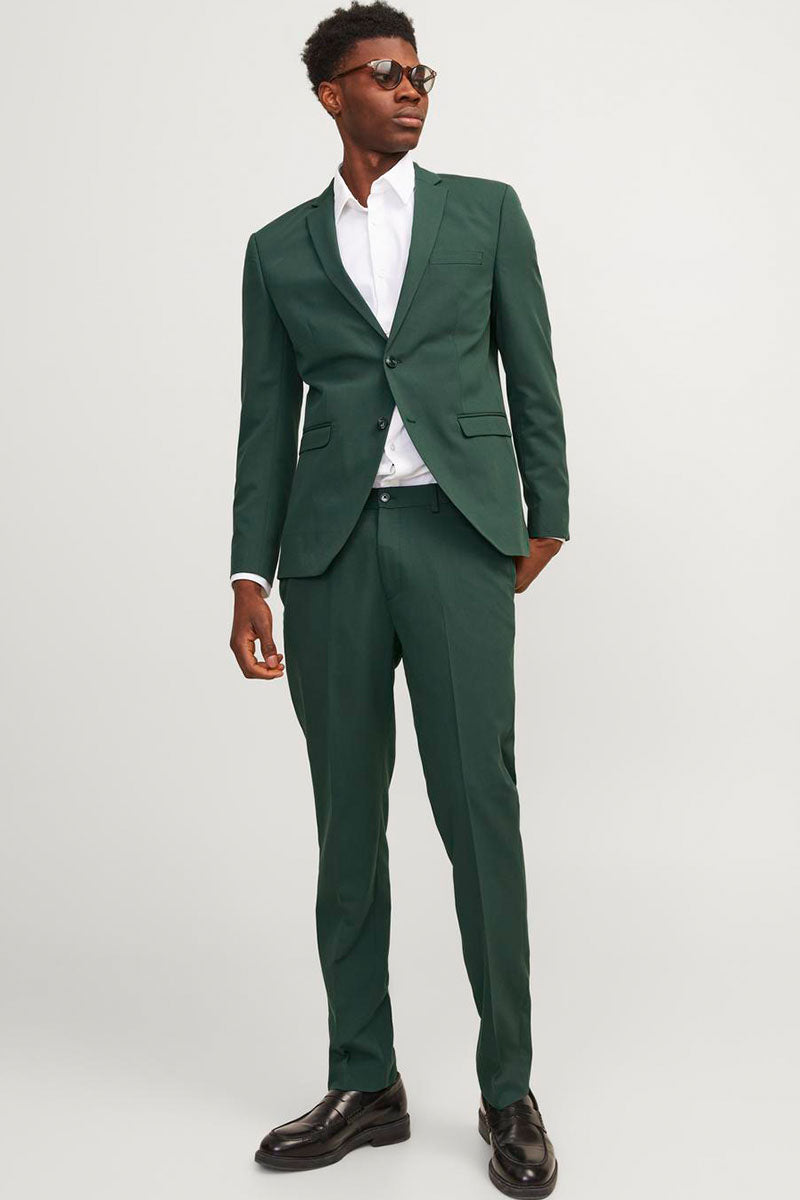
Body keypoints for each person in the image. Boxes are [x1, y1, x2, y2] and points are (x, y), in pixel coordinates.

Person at [228, 3, 568, 1195]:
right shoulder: (278, 249)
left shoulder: (485, 213)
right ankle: (363, 1080)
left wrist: (545, 512)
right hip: (329, 556)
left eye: (420, 71)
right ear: (332, 94)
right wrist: (249, 573)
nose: (410, 88)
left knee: (479, 809)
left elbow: (530, 365)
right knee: (345, 821)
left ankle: (506, 1088)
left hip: (455, 533)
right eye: (384, 73)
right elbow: (265, 420)